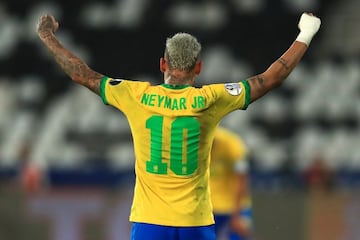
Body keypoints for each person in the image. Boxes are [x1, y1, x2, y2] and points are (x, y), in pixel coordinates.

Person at [36, 12, 321, 240]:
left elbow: (81, 74)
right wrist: (305, 34)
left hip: (149, 222)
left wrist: (47, 35)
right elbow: (270, 79)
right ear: (198, 68)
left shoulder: (136, 96)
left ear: (162, 64)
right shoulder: (210, 99)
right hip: (195, 223)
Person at [210, 127, 253, 240]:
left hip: (234, 206)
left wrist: (237, 214)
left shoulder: (233, 144)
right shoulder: (193, 145)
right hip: (209, 208)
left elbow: (242, 180)